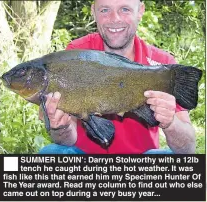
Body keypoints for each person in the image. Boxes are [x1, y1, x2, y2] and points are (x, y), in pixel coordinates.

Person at [38, 0, 196, 154]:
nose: (115, 19)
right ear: (93, 11)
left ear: (140, 11)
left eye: (125, 9)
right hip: (86, 162)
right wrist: (61, 126)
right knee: (51, 152)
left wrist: (170, 123)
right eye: (105, 10)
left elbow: (188, 149)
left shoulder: (162, 65)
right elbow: (67, 141)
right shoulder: (76, 54)